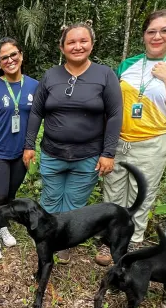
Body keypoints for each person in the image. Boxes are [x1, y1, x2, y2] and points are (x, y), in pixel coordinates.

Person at [97, 10, 166, 265]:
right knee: (113, 194)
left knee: (141, 195)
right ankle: (110, 241)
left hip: (151, 143)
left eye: (164, 31)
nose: (157, 36)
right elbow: (112, 106)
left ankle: (133, 244)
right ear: (144, 35)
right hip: (118, 141)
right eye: (151, 31)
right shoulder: (128, 65)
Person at [23, 22, 123, 262]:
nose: (77, 46)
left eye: (83, 41)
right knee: (50, 198)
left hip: (88, 155)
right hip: (52, 152)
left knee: (75, 202)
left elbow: (115, 114)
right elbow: (36, 112)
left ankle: (65, 241)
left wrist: (108, 152)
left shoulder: (105, 75)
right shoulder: (51, 75)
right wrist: (29, 146)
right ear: (62, 46)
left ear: (91, 44)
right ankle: (48, 238)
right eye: (71, 42)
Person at [0, 37, 38, 260]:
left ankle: (3, 225)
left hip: (22, 152)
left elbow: (37, 119)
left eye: (13, 54)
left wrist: (31, 147)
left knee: (11, 194)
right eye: (4, 57)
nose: (9, 60)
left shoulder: (35, 85)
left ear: (21, 55)